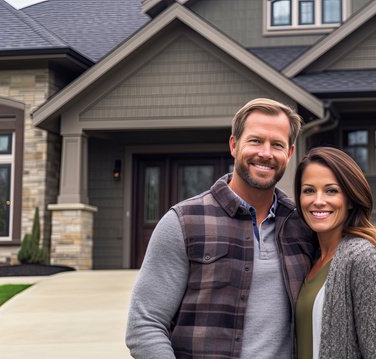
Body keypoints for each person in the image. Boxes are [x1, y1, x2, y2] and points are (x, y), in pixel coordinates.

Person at [126, 98, 316, 358]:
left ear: (290, 153)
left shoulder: (302, 225)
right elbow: (144, 325)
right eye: (255, 141)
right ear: (234, 145)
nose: (266, 153)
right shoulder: (183, 222)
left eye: (277, 145)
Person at [294, 146, 376, 359]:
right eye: (308, 190)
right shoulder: (310, 257)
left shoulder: (365, 256)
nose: (318, 200)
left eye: (331, 190)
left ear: (350, 199)